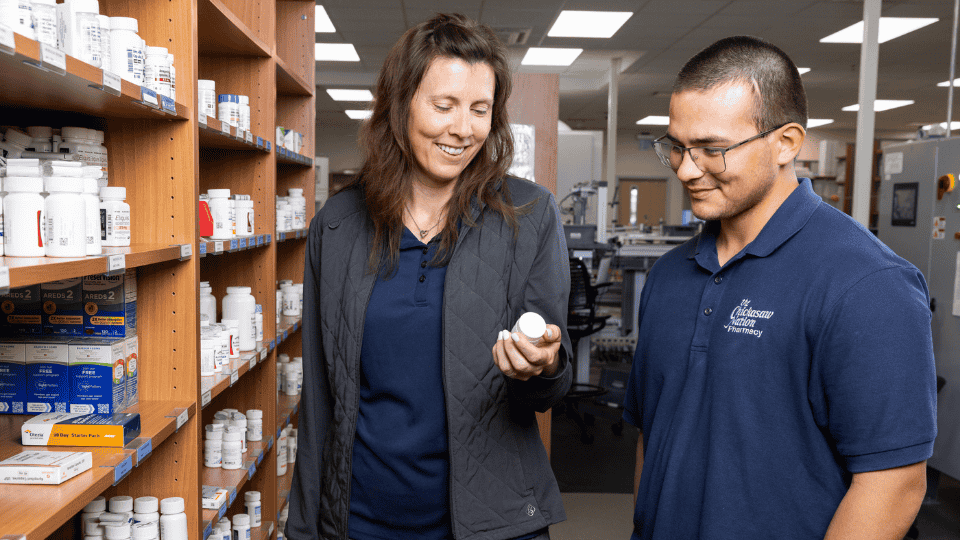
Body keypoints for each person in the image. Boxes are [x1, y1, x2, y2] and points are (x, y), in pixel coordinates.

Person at [623, 36, 937, 539]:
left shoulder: (867, 284)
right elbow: (653, 436)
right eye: (677, 147)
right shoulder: (667, 277)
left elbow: (893, 483)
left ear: (786, 143)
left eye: (712, 150)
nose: (686, 169)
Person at [285, 13, 572, 540]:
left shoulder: (529, 214)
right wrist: (306, 528)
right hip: (362, 520)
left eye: (480, 110)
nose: (463, 128)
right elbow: (321, 398)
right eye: (444, 106)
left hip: (492, 521)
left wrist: (543, 365)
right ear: (400, 105)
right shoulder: (340, 224)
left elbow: (550, 386)